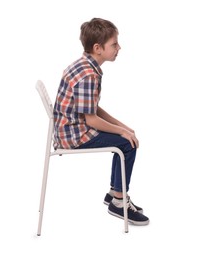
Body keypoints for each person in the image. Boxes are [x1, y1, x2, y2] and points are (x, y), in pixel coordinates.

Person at [53, 18, 149, 225]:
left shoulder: (85, 65)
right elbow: (92, 120)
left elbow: (92, 108)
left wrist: (122, 126)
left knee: (124, 136)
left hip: (70, 128)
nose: (119, 47)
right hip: (74, 135)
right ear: (98, 48)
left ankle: (115, 193)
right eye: (114, 44)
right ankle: (119, 201)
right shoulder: (88, 75)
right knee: (127, 144)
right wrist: (122, 133)